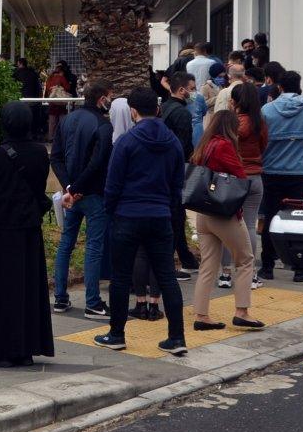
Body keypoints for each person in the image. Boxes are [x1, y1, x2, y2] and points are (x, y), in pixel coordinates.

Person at [95, 88, 188, 356]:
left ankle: (116, 334)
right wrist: (168, 211)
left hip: (127, 215)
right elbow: (176, 184)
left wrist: (111, 211)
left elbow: (112, 184)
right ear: (157, 110)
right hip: (160, 216)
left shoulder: (127, 141)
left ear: (133, 111)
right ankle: (177, 337)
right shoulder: (172, 142)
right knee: (167, 277)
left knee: (121, 278)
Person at [0, 102, 56, 367]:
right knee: (28, 287)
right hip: (29, 227)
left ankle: (0, 349)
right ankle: (26, 348)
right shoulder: (40, 153)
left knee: (0, 289)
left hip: (0, 229)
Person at [190, 112, 266, 332]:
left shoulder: (204, 145)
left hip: (203, 213)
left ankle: (201, 315)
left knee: (208, 265)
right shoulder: (224, 146)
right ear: (230, 128)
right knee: (245, 259)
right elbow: (241, 177)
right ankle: (242, 312)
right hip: (222, 214)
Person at [50, 80, 114, 319]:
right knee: (94, 247)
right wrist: (76, 188)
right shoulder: (102, 125)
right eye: (110, 95)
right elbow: (98, 163)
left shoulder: (67, 120)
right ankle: (93, 302)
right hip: (93, 193)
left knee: (66, 243)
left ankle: (60, 298)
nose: (111, 100)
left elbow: (55, 157)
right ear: (101, 99)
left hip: (71, 195)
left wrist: (69, 187)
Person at [259, 71, 303, 282]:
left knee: (270, 217)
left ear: (279, 87)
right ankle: (301, 269)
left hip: (271, 171)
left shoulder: (267, 110)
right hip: (299, 172)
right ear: (299, 86)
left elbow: (261, 137)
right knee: (298, 219)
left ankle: (267, 267)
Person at [220, 83, 268, 290]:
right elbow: (264, 146)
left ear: (235, 101)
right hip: (255, 177)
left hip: (233, 178)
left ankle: (225, 273)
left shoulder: (231, 124)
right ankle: (251, 274)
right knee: (249, 225)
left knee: (227, 226)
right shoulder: (260, 123)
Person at [160, 71, 200, 279]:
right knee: (176, 215)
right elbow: (184, 146)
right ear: (182, 89)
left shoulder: (164, 108)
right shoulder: (182, 114)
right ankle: (178, 260)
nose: (194, 93)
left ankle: (186, 258)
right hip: (176, 171)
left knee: (175, 215)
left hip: (163, 170)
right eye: (192, 89)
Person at [44, 63, 76, 141]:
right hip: (61, 102)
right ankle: (62, 137)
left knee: (52, 121)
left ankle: (51, 137)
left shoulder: (50, 78)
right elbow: (67, 87)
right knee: (62, 120)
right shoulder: (61, 77)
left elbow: (47, 88)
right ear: (62, 71)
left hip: (52, 102)